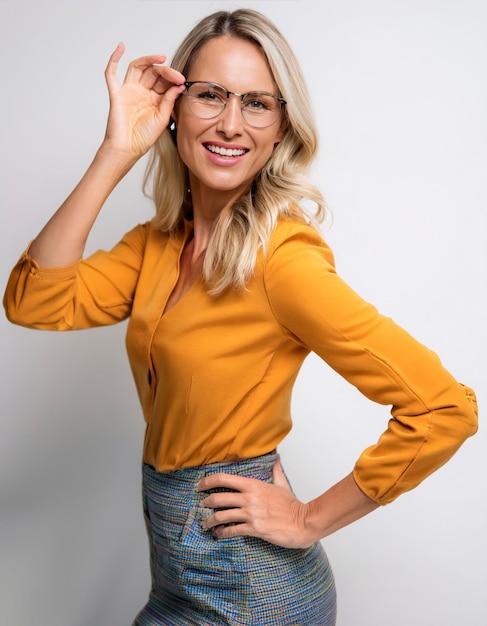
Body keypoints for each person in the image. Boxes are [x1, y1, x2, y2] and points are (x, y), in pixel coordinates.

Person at [3, 8, 478, 626]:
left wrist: (310, 518)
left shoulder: (283, 261)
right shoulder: (157, 245)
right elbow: (33, 300)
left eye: (257, 103)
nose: (231, 123)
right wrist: (116, 151)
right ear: (175, 106)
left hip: (250, 592)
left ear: (282, 126)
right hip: (174, 580)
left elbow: (444, 408)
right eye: (211, 96)